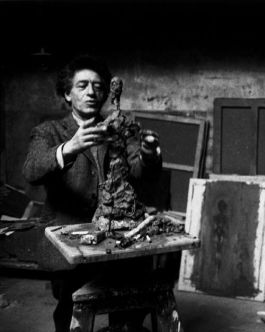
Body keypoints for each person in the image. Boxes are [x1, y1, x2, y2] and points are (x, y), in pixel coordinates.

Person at [23, 55, 161, 332]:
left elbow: (136, 174)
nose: (92, 92)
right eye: (82, 85)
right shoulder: (49, 131)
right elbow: (31, 170)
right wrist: (68, 148)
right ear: (67, 93)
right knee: (72, 312)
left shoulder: (117, 127)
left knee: (128, 306)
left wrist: (148, 156)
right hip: (70, 241)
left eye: (98, 86)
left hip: (115, 238)